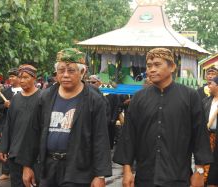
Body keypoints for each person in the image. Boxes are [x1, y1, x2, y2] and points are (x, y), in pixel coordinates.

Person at [113, 48, 213, 187]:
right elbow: (129, 135)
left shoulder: (190, 96)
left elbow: (199, 135)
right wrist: (127, 170)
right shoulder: (139, 98)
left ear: (172, 67)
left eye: (157, 64)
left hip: (178, 176)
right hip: (145, 177)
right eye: (149, 66)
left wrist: (200, 171)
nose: (152, 69)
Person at [20, 48, 112, 187]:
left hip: (79, 170)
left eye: (71, 70)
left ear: (82, 72)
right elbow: (33, 131)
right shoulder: (45, 96)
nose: (65, 75)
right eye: (61, 70)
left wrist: (100, 175)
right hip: (48, 168)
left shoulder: (93, 99)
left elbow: (100, 137)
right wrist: (27, 165)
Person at [0, 64, 41, 187]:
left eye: (26, 77)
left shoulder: (43, 98)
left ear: (34, 78)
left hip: (34, 154)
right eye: (20, 77)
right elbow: (9, 124)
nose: (22, 80)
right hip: (15, 153)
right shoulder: (16, 99)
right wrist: (4, 147)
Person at [0, 68, 22, 180]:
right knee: (6, 146)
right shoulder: (6, 92)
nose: (10, 79)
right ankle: (5, 172)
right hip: (8, 124)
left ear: (19, 77)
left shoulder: (25, 90)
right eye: (9, 76)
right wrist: (4, 106)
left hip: (21, 124)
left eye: (13, 76)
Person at [202, 77, 218, 186]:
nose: (208, 86)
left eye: (210, 84)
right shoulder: (206, 101)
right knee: (206, 162)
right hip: (208, 136)